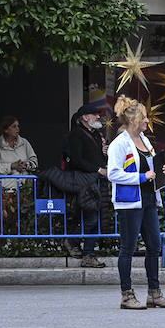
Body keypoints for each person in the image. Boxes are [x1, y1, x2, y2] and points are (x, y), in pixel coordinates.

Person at [107, 97, 165, 309]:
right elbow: (113, 173)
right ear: (134, 119)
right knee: (128, 248)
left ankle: (154, 293)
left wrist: (164, 169)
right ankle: (127, 295)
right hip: (129, 202)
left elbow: (151, 165)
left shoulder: (145, 140)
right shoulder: (119, 143)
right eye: (144, 116)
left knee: (154, 245)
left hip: (148, 199)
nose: (147, 120)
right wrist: (142, 177)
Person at [64, 100, 110, 266]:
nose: (98, 116)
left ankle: (77, 244)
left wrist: (104, 154)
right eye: (95, 114)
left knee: (95, 218)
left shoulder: (96, 135)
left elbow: (96, 157)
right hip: (85, 182)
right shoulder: (76, 134)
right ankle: (85, 251)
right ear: (85, 117)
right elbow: (76, 160)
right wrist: (98, 169)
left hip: (95, 182)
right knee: (91, 218)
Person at [0, 116, 38, 235]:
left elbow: (34, 161)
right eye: (14, 126)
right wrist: (11, 166)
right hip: (2, 190)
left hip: (23, 189)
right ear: (6, 130)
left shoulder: (24, 143)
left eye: (18, 126)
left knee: (21, 223)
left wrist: (27, 165)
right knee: (1, 222)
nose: (17, 129)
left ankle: (19, 251)